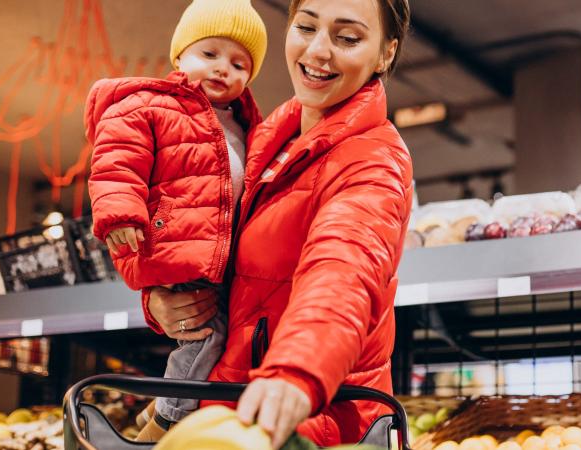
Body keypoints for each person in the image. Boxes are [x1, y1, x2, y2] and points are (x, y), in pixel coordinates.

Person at [144, 0, 413, 448]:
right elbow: (204, 241)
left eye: (347, 38)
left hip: (319, 423)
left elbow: (344, 269)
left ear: (385, 53)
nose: (318, 51)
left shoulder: (373, 160)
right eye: (306, 27)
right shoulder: (264, 140)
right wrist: (163, 301)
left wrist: (296, 371)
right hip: (240, 410)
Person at [84, 0, 267, 441]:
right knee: (207, 337)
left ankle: (158, 418)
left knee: (214, 338)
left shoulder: (248, 126)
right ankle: (166, 421)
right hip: (178, 248)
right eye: (210, 54)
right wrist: (120, 214)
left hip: (221, 259)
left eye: (239, 62)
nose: (224, 68)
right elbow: (116, 162)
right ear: (180, 55)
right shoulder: (149, 105)